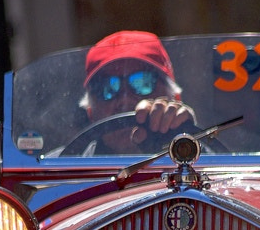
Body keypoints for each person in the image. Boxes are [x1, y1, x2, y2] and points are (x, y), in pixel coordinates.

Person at [68, 30, 197, 155]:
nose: (125, 100)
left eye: (143, 83)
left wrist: (187, 146)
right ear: (90, 111)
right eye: (106, 88)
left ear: (176, 99)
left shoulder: (206, 165)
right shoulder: (57, 170)